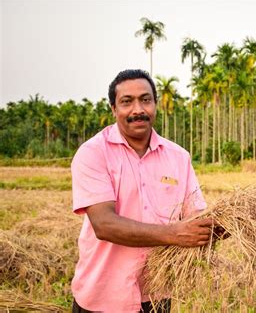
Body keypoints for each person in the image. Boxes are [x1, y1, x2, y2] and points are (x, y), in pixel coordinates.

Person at [70, 69, 214, 313]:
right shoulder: (93, 153)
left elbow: (195, 218)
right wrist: (173, 234)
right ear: (114, 109)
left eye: (145, 100)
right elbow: (104, 225)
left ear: (155, 105)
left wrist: (238, 221)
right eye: (127, 102)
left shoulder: (178, 157)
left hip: (156, 295)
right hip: (102, 297)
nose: (138, 109)